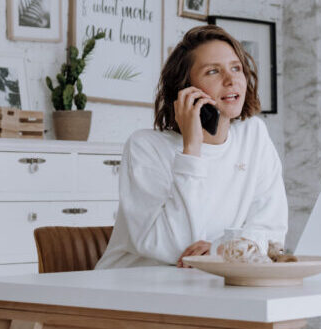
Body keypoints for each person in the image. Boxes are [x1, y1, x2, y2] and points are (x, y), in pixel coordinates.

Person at [95, 25, 287, 269]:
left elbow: (272, 232)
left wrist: (219, 250)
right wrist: (192, 148)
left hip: (208, 283)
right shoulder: (145, 147)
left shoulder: (254, 135)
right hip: (132, 287)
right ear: (185, 89)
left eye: (236, 68)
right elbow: (176, 248)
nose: (231, 80)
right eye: (213, 71)